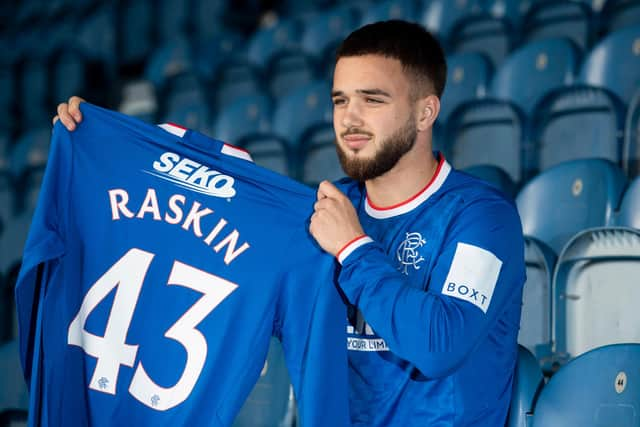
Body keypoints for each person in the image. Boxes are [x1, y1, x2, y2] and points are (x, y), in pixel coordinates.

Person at [55, 20, 526, 427]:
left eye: (373, 100)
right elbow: (218, 262)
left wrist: (355, 250)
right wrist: (124, 155)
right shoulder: (326, 207)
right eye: (340, 101)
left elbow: (440, 344)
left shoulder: (481, 217)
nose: (350, 119)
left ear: (426, 111)